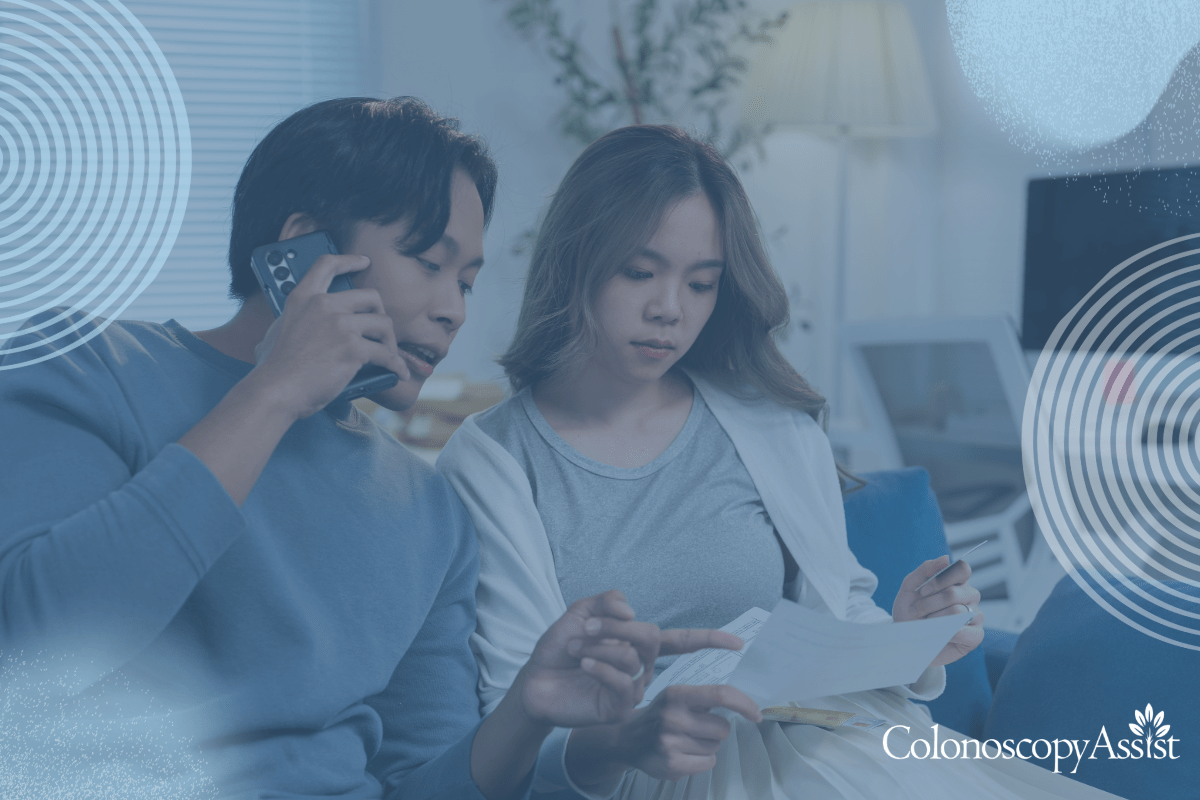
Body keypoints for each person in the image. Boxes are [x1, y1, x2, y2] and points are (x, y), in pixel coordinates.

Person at [0, 99, 739, 800]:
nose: (452, 309)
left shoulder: (428, 513)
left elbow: (421, 780)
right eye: (427, 261)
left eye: (469, 282)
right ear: (301, 250)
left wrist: (526, 711)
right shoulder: (84, 365)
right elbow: (41, 647)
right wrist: (275, 391)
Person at [436, 125, 1127, 799]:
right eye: (639, 272)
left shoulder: (769, 424)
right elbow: (517, 715)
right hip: (653, 767)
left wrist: (906, 637)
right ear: (575, 263)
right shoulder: (494, 458)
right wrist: (630, 736)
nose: (669, 310)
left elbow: (836, 619)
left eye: (702, 284)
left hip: (831, 737)